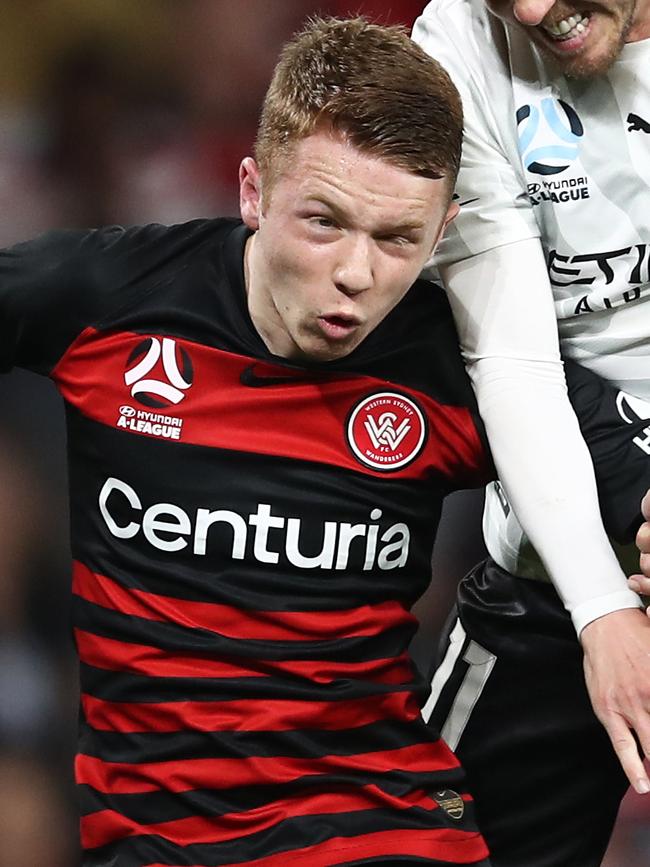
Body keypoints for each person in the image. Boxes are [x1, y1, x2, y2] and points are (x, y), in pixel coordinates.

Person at [0, 16, 499, 867]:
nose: (356, 272)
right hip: (156, 839)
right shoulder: (110, 297)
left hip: (383, 828)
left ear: (442, 230)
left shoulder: (465, 364)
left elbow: (617, 468)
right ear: (252, 190)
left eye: (396, 239)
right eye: (323, 222)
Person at [411, 1, 650, 864]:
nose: (532, 10)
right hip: (558, 569)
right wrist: (601, 605)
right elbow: (508, 351)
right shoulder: (457, 39)